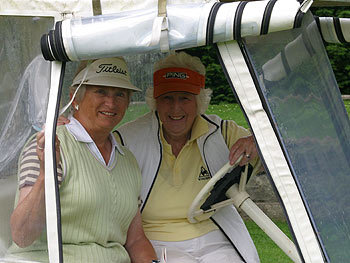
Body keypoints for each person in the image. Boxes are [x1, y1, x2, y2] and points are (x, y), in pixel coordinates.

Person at [115, 52, 262, 263]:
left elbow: (276, 155)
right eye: (167, 98)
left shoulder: (222, 132)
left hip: (216, 235)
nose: (176, 108)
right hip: (156, 239)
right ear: (155, 101)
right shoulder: (127, 139)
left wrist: (256, 143)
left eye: (184, 98)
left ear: (199, 101)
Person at [8, 57, 158, 263]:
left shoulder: (127, 160)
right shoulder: (51, 145)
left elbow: (135, 240)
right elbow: (22, 236)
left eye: (120, 94)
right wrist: (45, 175)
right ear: (74, 98)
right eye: (100, 91)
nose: (111, 102)